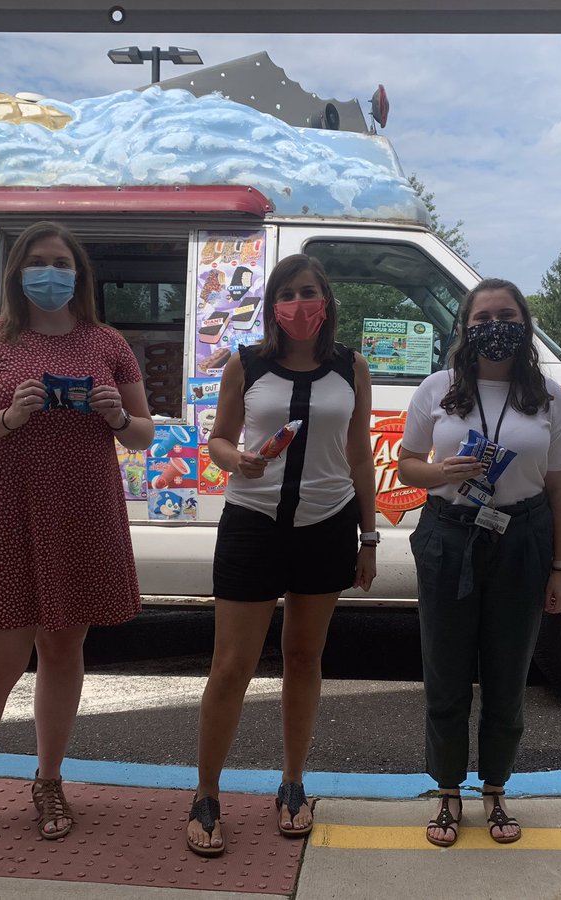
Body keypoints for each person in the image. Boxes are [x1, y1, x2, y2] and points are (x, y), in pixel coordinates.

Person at [0, 221, 155, 853]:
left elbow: (142, 434)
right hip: (6, 511)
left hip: (82, 512)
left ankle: (49, 780)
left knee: (64, 651)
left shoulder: (107, 342)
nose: (52, 273)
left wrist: (118, 416)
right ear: (17, 271)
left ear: (80, 274)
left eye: (63, 263)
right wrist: (9, 416)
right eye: (39, 261)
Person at [185, 254, 377, 857]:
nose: (298, 304)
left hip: (327, 524)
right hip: (253, 523)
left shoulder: (351, 367)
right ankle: (206, 793)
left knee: (303, 656)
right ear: (272, 306)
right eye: (287, 294)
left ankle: (293, 783)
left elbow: (360, 455)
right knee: (231, 665)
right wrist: (234, 459)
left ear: (327, 301)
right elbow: (218, 439)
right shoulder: (246, 363)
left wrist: (369, 538)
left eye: (309, 292)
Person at [397, 277, 561, 847]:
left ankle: (495, 788)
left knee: (508, 675)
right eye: (482, 318)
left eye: (507, 317)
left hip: (522, 538)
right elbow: (406, 464)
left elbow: (557, 485)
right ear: (465, 328)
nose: (495, 327)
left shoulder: (549, 397)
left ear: (525, 325)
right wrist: (439, 472)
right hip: (448, 536)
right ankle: (448, 789)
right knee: (445, 672)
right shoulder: (438, 388)